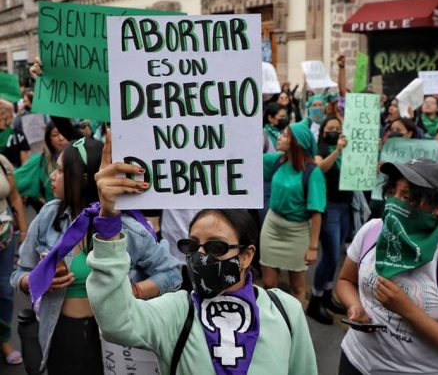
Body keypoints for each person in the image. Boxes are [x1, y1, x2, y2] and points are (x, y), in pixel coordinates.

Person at [85, 139, 318, 374]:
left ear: (247, 256)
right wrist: (108, 223)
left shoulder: (286, 311)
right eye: (193, 246)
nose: (201, 257)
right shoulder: (177, 311)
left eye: (217, 247)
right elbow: (117, 321)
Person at [11, 136, 181, 374]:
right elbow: (20, 272)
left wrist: (133, 291)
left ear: (81, 179)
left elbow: (172, 275)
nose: (51, 176)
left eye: (60, 170)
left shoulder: (129, 229)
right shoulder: (48, 218)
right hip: (58, 332)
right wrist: (36, 281)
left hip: (116, 342)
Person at [336, 158, 438, 375]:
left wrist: (407, 310)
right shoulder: (373, 230)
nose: (395, 202)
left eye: (406, 196)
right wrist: (354, 306)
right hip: (355, 361)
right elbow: (345, 281)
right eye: (393, 192)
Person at [260, 122, 325, 304]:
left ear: (297, 143)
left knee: (297, 286)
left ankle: (296, 328)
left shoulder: (313, 173)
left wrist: (312, 247)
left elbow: (316, 213)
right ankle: (272, 323)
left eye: (285, 135)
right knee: (268, 283)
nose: (279, 137)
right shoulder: (276, 161)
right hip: (272, 225)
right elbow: (246, 160)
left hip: (297, 232)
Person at [307, 115, 350, 324]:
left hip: (346, 207)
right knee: (331, 256)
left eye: (337, 127)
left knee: (337, 253)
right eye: (330, 127)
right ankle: (314, 300)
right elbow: (320, 168)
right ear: (324, 131)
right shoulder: (321, 150)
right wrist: (337, 150)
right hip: (330, 208)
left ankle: (326, 294)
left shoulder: (349, 151)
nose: (333, 130)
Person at [0, 153, 27, 365]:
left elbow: (15, 196)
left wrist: (25, 232)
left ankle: (4, 339)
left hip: (4, 235)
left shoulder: (1, 161)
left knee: (6, 290)